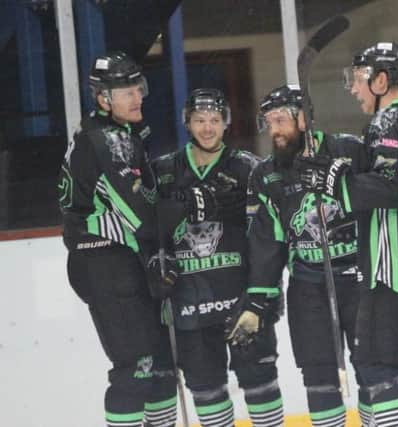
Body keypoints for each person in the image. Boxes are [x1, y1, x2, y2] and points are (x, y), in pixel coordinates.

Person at [296, 43, 398, 427]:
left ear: (381, 80)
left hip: (392, 270)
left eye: (358, 79)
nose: (353, 88)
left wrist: (336, 182)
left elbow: (393, 188)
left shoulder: (386, 123)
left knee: (377, 370)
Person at [225, 84, 371, 427]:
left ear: (304, 119)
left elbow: (383, 198)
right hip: (308, 287)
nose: (274, 130)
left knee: (372, 369)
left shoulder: (348, 151)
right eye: (269, 122)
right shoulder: (266, 175)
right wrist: (258, 301)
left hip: (360, 279)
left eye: (281, 120)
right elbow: (267, 244)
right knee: (319, 378)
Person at [57, 51, 177, 427]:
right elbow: (142, 213)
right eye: (126, 91)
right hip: (105, 261)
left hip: (122, 260)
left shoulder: (122, 135)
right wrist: (190, 204)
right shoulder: (106, 141)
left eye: (138, 87)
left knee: (159, 366)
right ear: (102, 98)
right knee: (137, 365)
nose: (137, 97)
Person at [151, 88, 284, 427]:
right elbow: (150, 231)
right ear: (187, 122)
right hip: (189, 303)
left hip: (240, 304)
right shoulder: (164, 171)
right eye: (199, 120)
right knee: (207, 389)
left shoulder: (249, 168)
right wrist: (155, 262)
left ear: (225, 123)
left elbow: (269, 238)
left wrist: (265, 295)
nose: (207, 128)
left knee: (260, 383)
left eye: (214, 120)